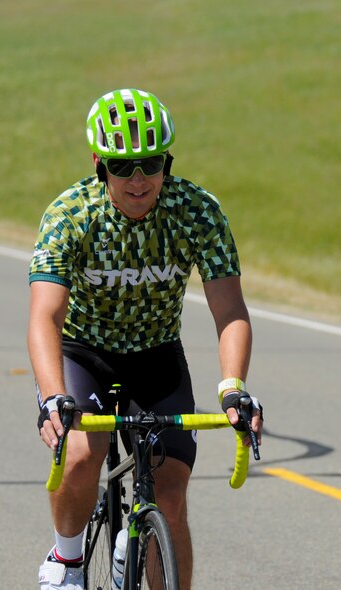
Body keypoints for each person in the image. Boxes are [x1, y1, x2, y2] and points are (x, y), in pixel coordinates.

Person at [29, 88, 262, 590]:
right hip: (83, 353)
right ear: (99, 164)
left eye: (151, 164)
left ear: (167, 161)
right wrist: (52, 397)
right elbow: (45, 316)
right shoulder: (70, 215)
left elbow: (230, 309)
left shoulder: (197, 212)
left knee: (171, 496)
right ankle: (67, 559)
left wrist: (233, 386)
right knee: (84, 455)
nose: (138, 180)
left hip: (156, 355)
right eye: (122, 166)